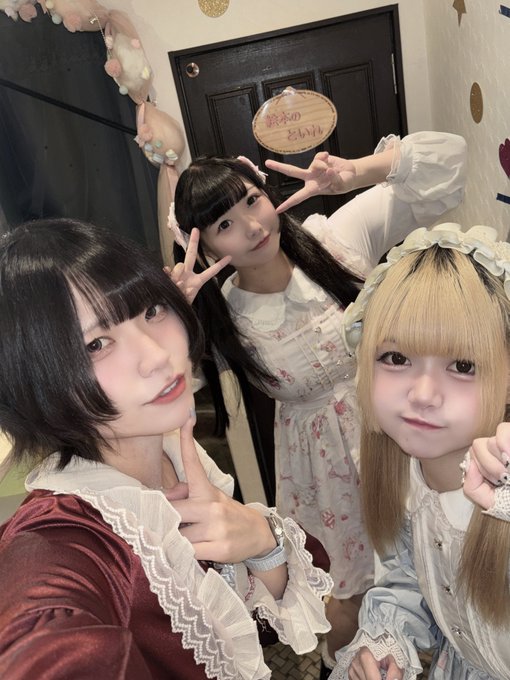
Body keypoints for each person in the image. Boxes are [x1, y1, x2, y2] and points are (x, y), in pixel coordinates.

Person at [168, 132, 467, 673]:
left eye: (252, 200)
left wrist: (356, 173)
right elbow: (159, 395)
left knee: (441, 556)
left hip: (402, 430)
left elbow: (448, 164)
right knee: (349, 594)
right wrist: (174, 316)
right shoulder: (221, 315)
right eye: (224, 224)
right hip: (320, 468)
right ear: (206, 247)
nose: (252, 226)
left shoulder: (334, 239)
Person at [0, 218, 334, 680]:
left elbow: (250, 630)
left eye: (152, 310)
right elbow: (40, 643)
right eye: (96, 344)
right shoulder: (59, 540)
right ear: (35, 384)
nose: (158, 356)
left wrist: (262, 541)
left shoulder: (171, 451)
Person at [330, 223, 510, 680]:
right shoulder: (405, 477)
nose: (423, 394)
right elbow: (410, 575)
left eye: (463, 365)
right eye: (396, 358)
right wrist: (387, 641)